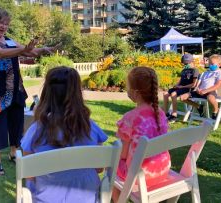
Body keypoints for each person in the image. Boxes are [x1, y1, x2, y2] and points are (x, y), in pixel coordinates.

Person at [0, 8, 62, 175]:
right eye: (1, 22)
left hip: (15, 89)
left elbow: (30, 51)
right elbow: (0, 54)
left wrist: (44, 49)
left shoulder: (10, 41)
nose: (4, 26)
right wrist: (23, 50)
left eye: (7, 24)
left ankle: (14, 154)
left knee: (17, 122)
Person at [21, 67, 108, 203]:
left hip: (45, 199)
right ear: (77, 94)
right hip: (86, 198)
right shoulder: (91, 128)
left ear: (47, 94)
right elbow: (98, 168)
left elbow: (30, 176)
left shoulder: (35, 131)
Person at [112, 66, 171, 203]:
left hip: (140, 175)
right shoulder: (161, 114)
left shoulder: (129, 118)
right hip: (163, 170)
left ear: (133, 92)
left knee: (112, 166)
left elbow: (123, 154)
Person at [180, 54, 221, 120]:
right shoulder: (205, 73)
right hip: (200, 91)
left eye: (212, 64)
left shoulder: (219, 73)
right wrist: (198, 88)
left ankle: (215, 111)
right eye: (209, 64)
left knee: (211, 99)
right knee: (182, 98)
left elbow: (217, 85)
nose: (210, 65)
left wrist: (206, 91)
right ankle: (198, 106)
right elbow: (200, 83)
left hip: (210, 92)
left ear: (219, 64)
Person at [163, 53, 199, 123]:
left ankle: (174, 114)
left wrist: (182, 87)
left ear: (192, 62)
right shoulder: (184, 70)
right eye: (184, 64)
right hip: (180, 87)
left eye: (186, 63)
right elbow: (181, 81)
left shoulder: (195, 70)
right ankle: (166, 113)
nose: (185, 65)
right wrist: (176, 85)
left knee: (173, 94)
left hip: (187, 89)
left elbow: (194, 84)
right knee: (165, 93)